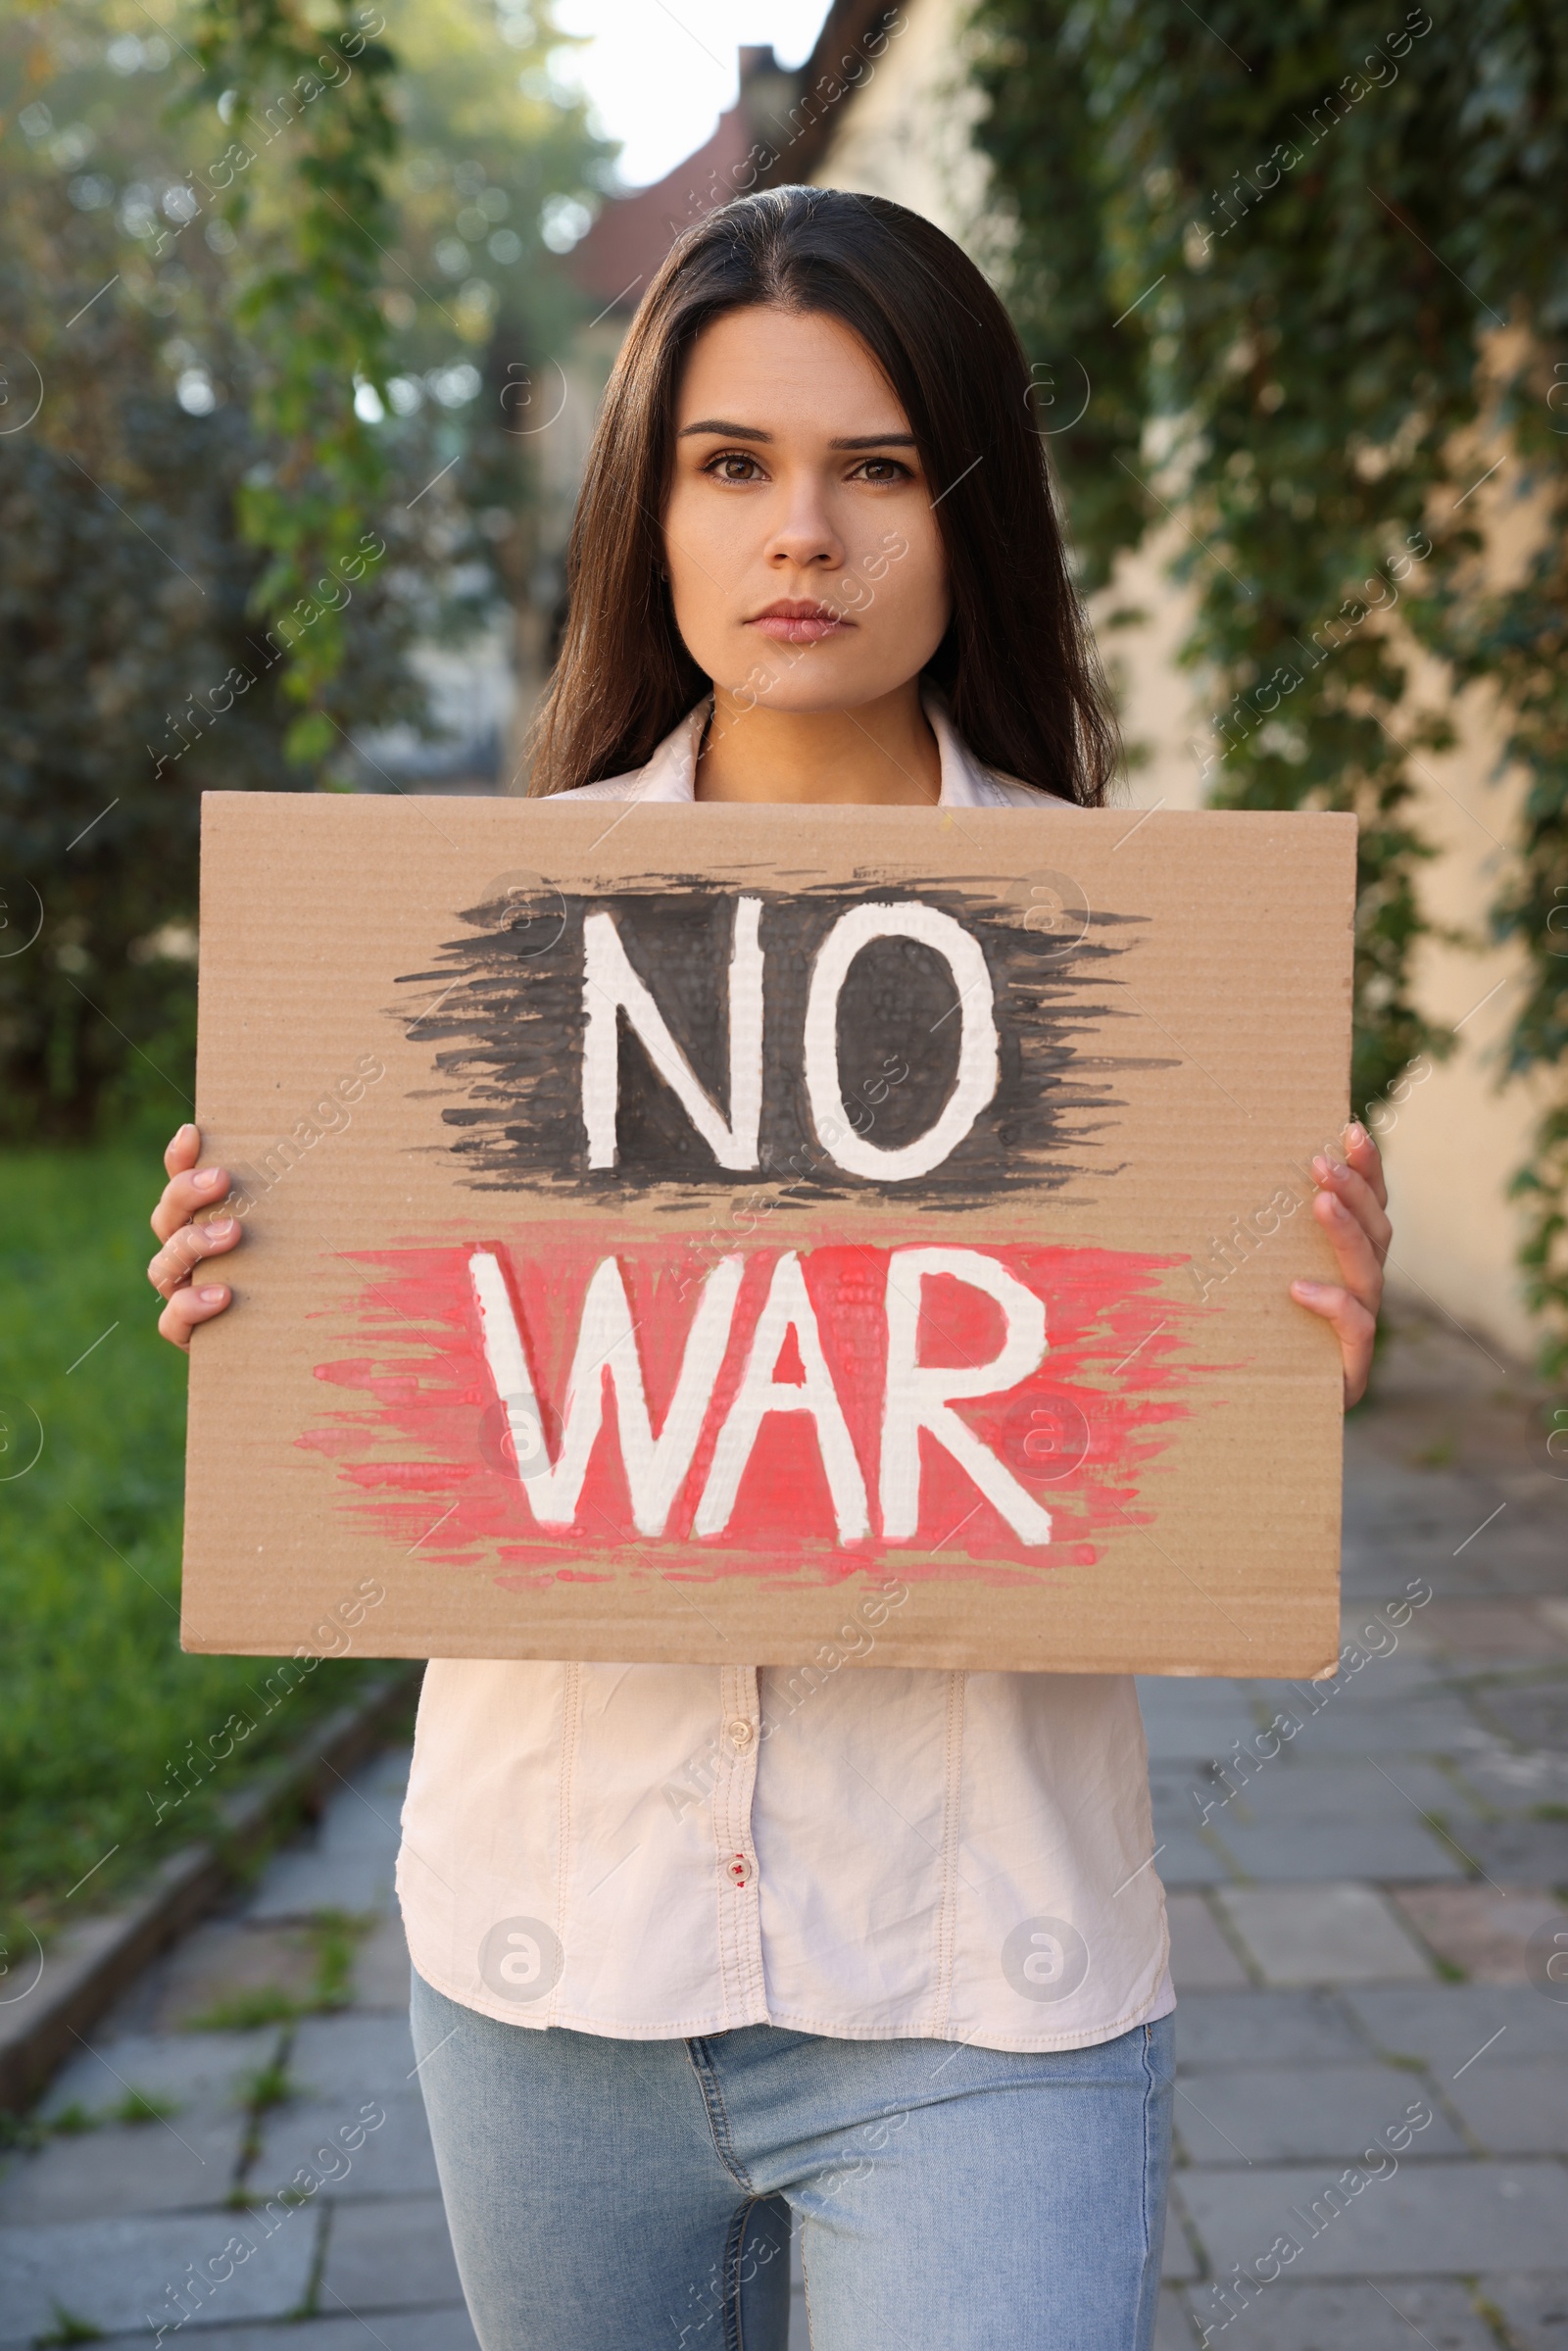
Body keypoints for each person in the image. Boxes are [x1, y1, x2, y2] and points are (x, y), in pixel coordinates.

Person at [147, 188, 1391, 2351]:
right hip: (551, 1973)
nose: (796, 532)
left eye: (875, 466)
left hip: (980, 1984)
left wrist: (1279, 1368)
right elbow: (408, 1405)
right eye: (732, 466)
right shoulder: (453, 961)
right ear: (653, 513)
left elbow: (1136, 1468)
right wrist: (263, 1288)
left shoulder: (1152, 988)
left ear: (966, 508)